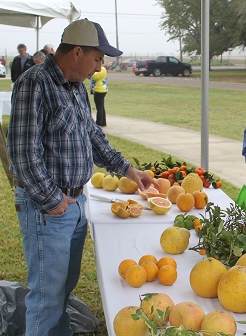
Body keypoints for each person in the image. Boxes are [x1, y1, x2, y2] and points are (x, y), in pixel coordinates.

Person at [7, 18, 157, 336]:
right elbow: (22, 156)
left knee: (62, 290)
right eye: (98, 59)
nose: (99, 67)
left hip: (75, 202)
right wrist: (53, 201)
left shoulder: (76, 87)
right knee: (46, 298)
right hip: (49, 209)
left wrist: (129, 170)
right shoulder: (34, 83)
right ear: (77, 52)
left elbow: (93, 137)